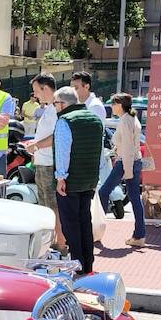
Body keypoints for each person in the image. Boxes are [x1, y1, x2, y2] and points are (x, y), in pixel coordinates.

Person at [51, 85, 105, 274]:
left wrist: (60, 177)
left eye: (55, 104)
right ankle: (88, 264)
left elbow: (63, 152)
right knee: (85, 221)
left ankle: (77, 265)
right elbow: (100, 153)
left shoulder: (64, 121)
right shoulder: (95, 119)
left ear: (63, 104)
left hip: (70, 181)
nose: (54, 107)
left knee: (70, 224)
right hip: (89, 180)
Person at [22, 73, 66, 254]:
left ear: (45, 88)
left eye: (36, 91)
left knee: (51, 206)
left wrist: (36, 145)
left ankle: (61, 244)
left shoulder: (56, 109)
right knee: (46, 205)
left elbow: (57, 136)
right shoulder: (50, 108)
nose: (35, 95)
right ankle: (56, 242)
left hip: (49, 165)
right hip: (43, 162)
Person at [98, 92, 145, 248]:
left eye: (113, 103)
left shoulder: (125, 121)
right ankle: (139, 235)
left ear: (119, 105)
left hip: (125, 162)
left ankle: (97, 229)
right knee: (135, 199)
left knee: (103, 192)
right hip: (133, 161)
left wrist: (127, 169)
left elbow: (126, 148)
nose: (112, 106)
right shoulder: (132, 119)